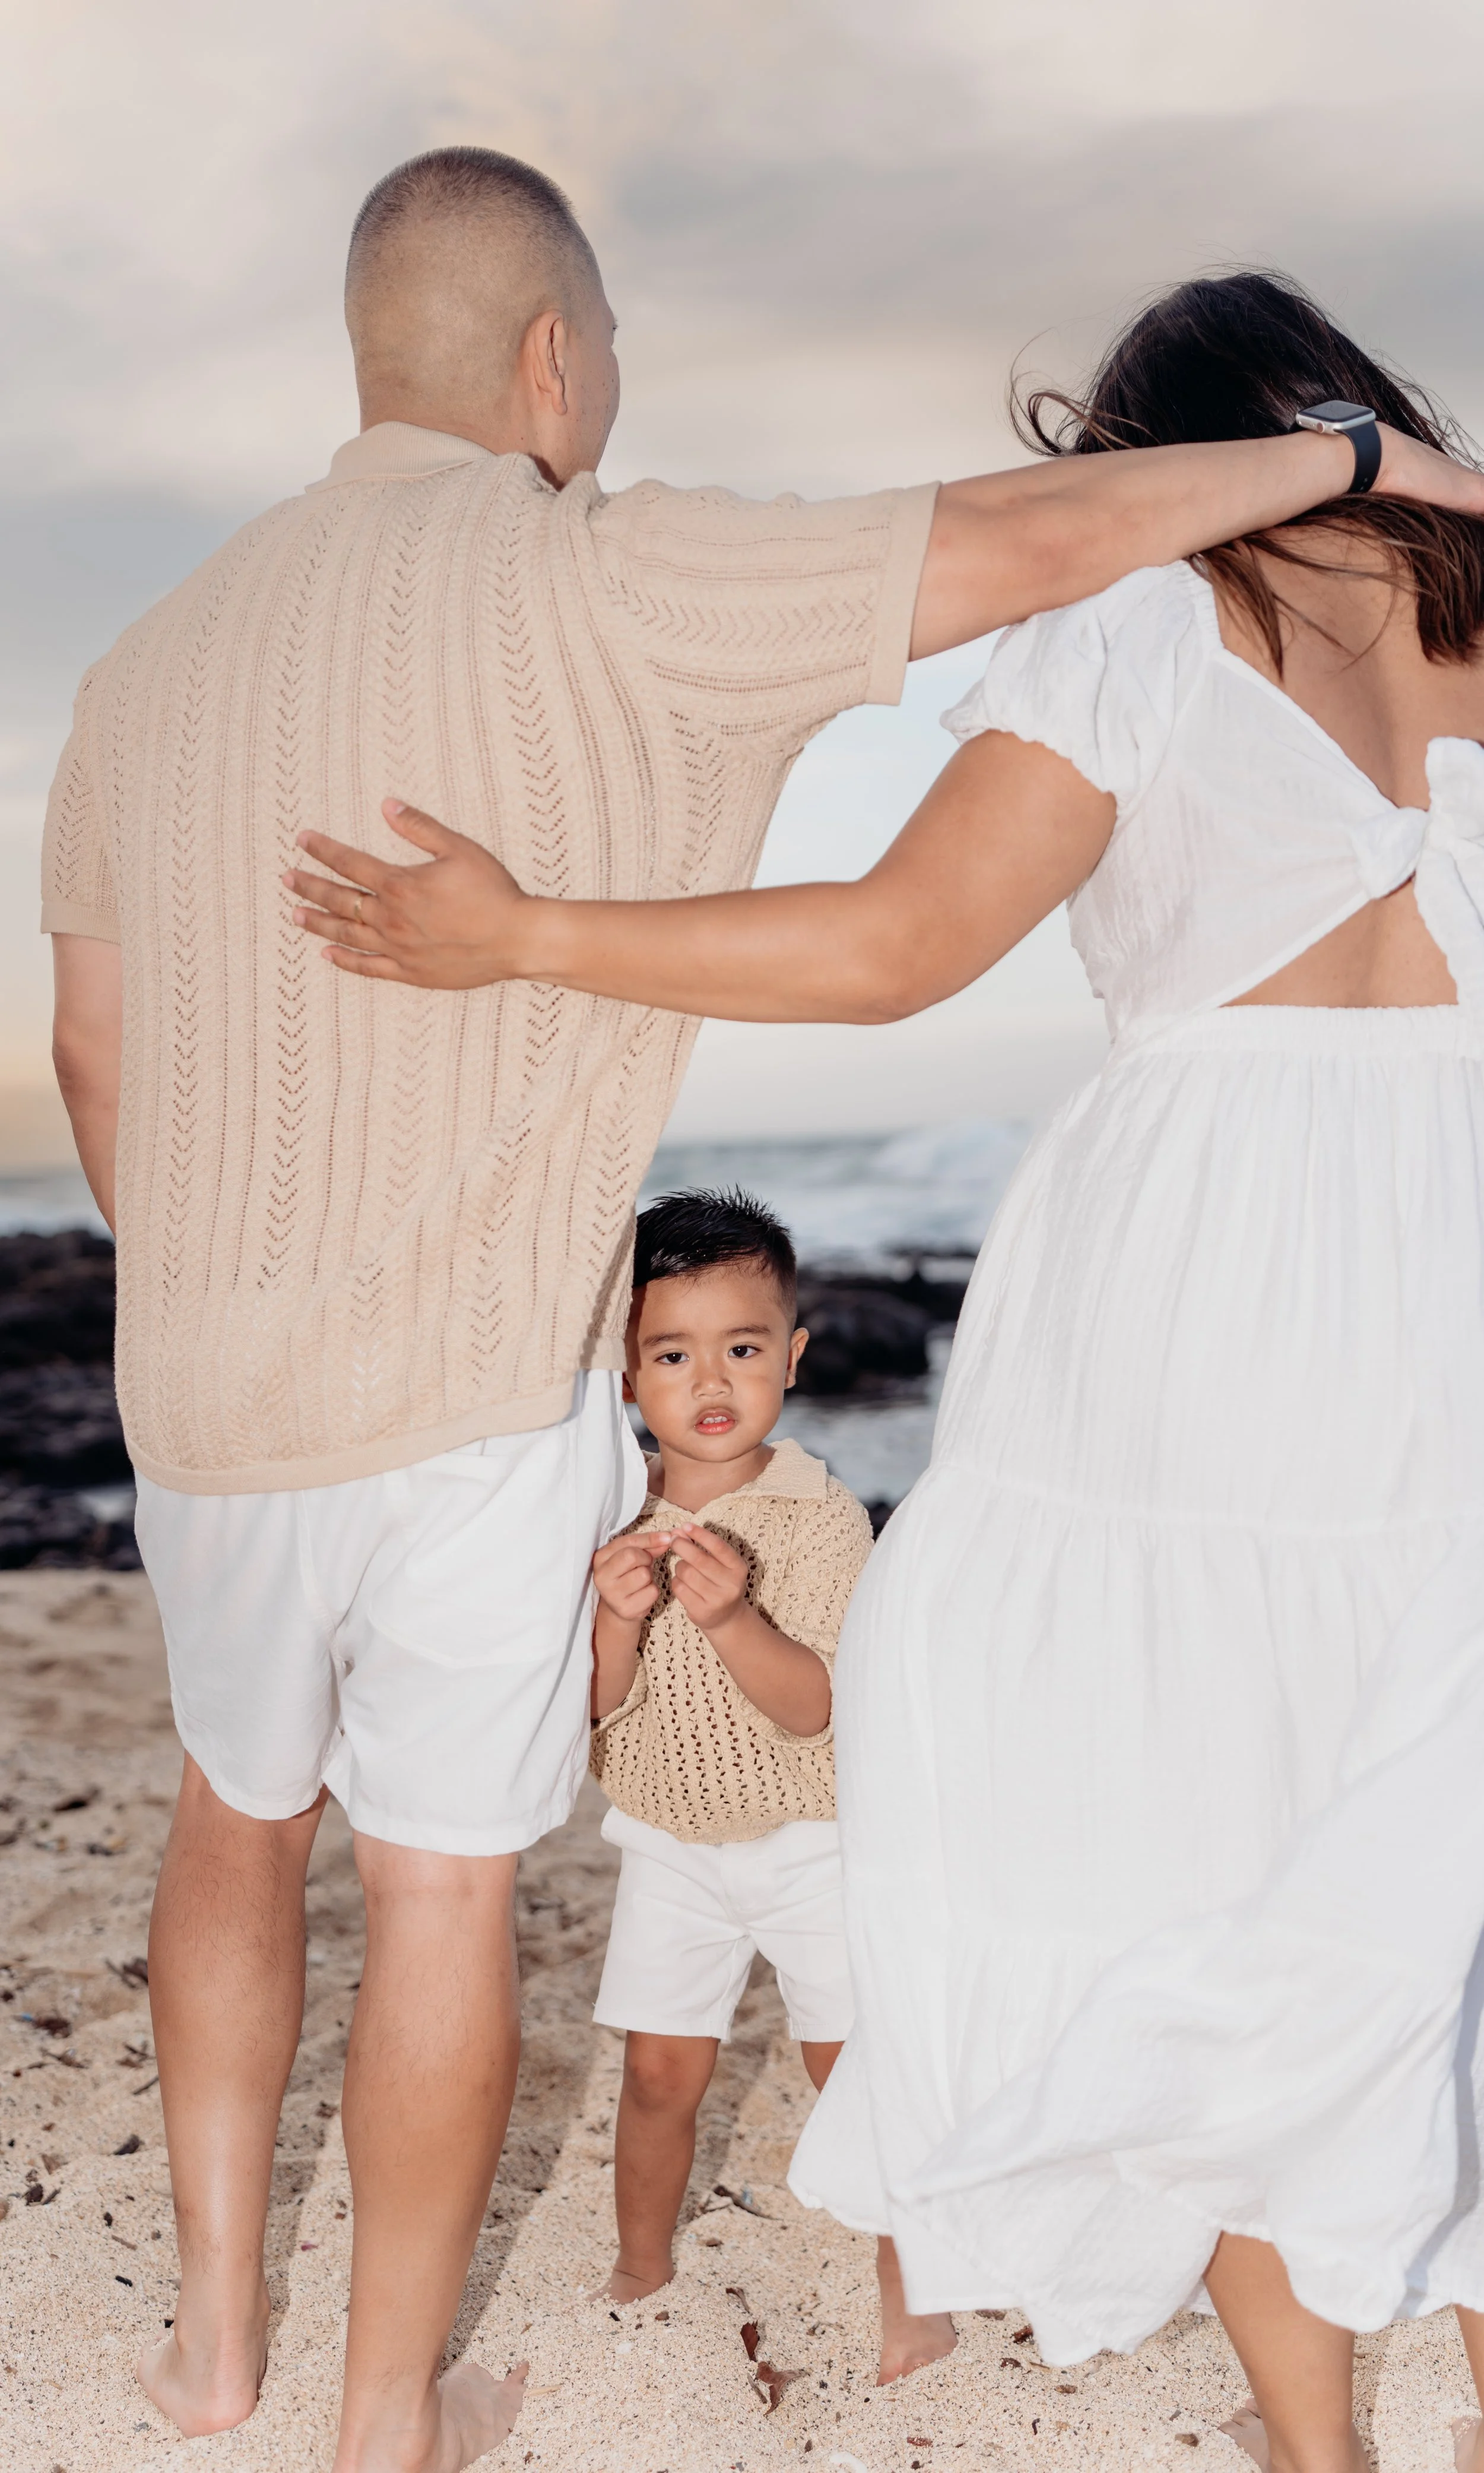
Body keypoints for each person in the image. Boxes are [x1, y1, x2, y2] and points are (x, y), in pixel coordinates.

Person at [46, 144, 1401, 2473]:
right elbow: (1005, 543)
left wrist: (206, 1283)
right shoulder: (611, 566)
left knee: (232, 1816)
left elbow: (96, 1047)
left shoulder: (148, 660)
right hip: (469, 1388)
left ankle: (203, 2348)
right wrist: (1361, 461)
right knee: (451, 1894)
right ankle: (388, 2419)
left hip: (206, 1381)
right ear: (553, 359)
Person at [587, 1188, 874, 2314]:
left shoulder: (821, 1513)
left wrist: (731, 1620)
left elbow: (817, 1707)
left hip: (814, 1843)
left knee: (849, 2068)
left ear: (792, 1357)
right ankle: (640, 2262)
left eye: (742, 1348)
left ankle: (912, 2275)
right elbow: (595, 1714)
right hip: (667, 1847)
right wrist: (614, 1618)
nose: (710, 1384)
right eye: (673, 1354)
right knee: (659, 2073)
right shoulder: (607, 1512)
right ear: (624, 1373)